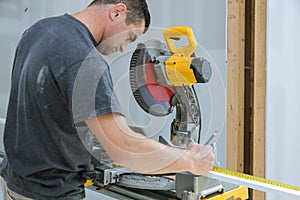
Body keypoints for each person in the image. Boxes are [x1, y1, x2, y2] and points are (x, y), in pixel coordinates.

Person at [0, 0, 215, 199]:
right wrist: (191, 160)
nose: (123, 48)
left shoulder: (39, 30)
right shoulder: (85, 61)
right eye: (130, 37)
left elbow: (44, 108)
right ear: (117, 12)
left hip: (14, 183)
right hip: (51, 192)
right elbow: (125, 149)